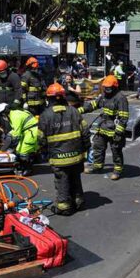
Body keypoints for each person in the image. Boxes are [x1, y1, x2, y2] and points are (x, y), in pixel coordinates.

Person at [38, 83, 90, 215]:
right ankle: (79, 200)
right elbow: (85, 132)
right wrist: (85, 149)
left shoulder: (45, 115)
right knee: (75, 177)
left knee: (62, 180)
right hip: (77, 156)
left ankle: (64, 206)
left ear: (50, 99)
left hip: (58, 158)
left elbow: (41, 139)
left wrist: (44, 152)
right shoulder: (74, 111)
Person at [80, 75, 129, 180]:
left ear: (115, 87)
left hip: (114, 129)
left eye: (109, 87)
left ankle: (117, 171)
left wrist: (119, 133)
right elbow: (93, 105)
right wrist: (79, 111)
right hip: (103, 126)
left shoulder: (120, 98)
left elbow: (123, 117)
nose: (107, 89)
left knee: (116, 150)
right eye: (105, 87)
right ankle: (97, 167)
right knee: (98, 147)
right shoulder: (104, 96)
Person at [0, 103, 38, 176]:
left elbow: (16, 135)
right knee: (18, 150)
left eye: (2, 115)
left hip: (31, 133)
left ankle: (28, 169)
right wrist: (8, 135)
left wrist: (4, 148)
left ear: (4, 112)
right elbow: (16, 130)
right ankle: (23, 167)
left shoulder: (15, 116)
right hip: (27, 131)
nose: (3, 117)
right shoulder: (14, 114)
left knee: (23, 152)